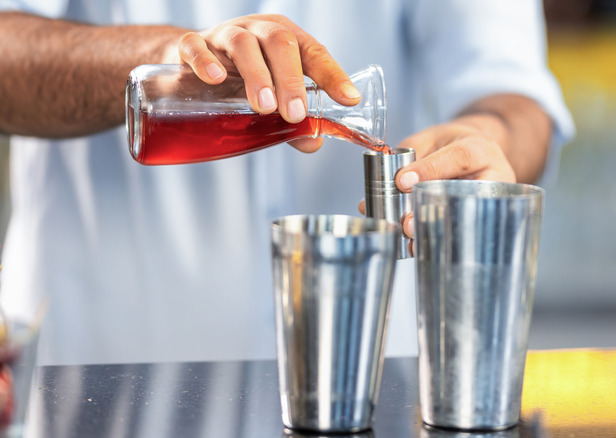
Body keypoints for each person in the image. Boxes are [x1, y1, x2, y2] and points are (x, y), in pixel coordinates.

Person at [0, 0, 574, 365]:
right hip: (91, 368)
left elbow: (516, 100)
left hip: (366, 374)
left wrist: (478, 139)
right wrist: (170, 65)